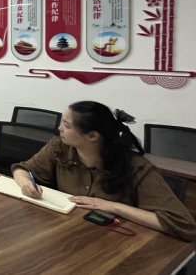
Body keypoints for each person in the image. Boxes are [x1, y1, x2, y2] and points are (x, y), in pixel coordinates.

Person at [12, 101, 196, 242]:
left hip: (117, 242)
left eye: (67, 125)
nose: (59, 128)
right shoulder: (59, 148)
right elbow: (23, 169)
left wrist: (113, 206)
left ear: (92, 136)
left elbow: (184, 225)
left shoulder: (135, 167)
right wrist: (26, 182)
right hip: (68, 234)